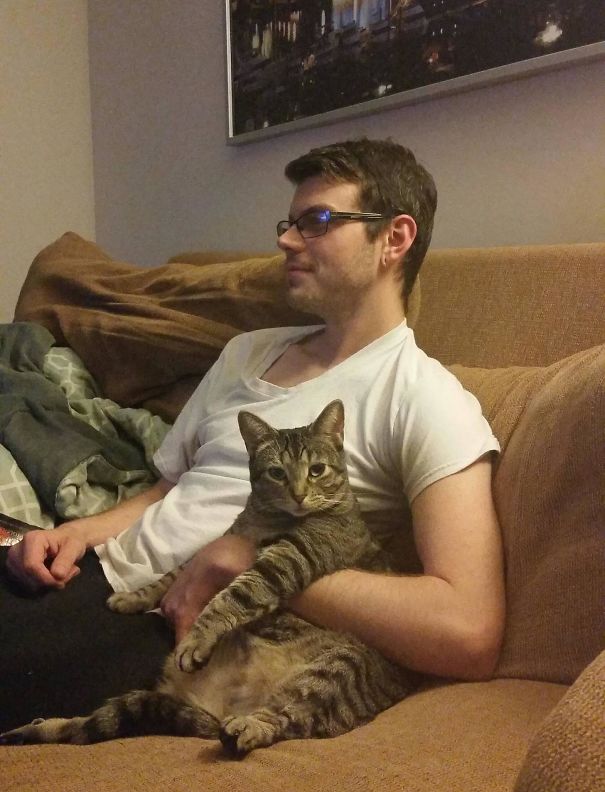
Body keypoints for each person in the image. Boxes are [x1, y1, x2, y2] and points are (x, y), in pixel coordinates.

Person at [1, 138, 504, 732]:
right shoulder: (247, 352)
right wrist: (75, 534)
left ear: (394, 239)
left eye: (317, 221)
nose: (287, 241)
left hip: (179, 629)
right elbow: (167, 491)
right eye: (289, 224)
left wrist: (253, 563)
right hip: (97, 574)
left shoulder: (424, 397)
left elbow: (468, 630)